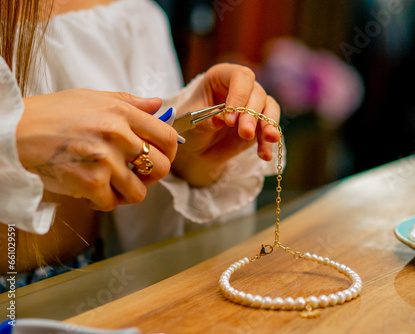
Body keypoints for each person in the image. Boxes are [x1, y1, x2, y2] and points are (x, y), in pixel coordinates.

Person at [0, 0, 281, 288]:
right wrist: (13, 130)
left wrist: (188, 165)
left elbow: (153, 246)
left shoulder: (133, 15)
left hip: (87, 294)